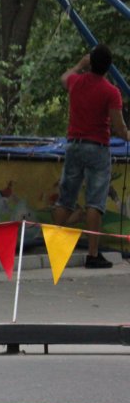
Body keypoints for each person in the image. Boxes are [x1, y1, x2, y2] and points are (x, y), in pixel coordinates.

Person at [52, 44, 130, 269]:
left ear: (90, 62)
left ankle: (55, 247)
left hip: (74, 145)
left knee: (65, 199)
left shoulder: (76, 82)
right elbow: (119, 128)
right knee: (95, 202)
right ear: (109, 66)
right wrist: (127, 135)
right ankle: (93, 254)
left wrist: (79, 65)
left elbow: (64, 77)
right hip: (97, 148)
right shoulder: (111, 92)